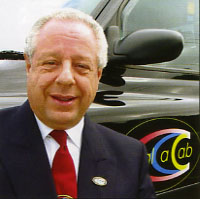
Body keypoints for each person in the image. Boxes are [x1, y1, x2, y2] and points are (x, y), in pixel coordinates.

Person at [0, 8, 155, 199]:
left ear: (97, 76)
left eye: (81, 66)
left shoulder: (130, 157)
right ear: (29, 67)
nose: (66, 78)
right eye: (51, 62)